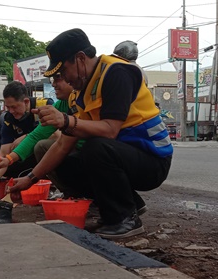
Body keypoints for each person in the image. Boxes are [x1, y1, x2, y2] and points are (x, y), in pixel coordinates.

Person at [9, 28, 173, 239]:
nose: (65, 80)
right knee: (67, 163)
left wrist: (65, 120)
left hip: (153, 160)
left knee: (95, 147)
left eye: (64, 71)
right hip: (125, 157)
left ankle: (125, 219)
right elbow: (62, 145)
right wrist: (30, 179)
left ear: (80, 59)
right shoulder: (82, 91)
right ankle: (121, 208)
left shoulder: (116, 73)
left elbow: (110, 130)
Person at [0, 72, 80, 195]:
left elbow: (57, 136)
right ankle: (69, 193)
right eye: (52, 79)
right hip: (65, 148)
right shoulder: (61, 104)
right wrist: (7, 160)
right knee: (39, 146)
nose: (53, 84)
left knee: (43, 145)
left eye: (58, 78)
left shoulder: (47, 104)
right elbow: (36, 135)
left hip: (86, 151)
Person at [0, 81, 39, 178]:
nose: (11, 111)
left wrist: (26, 137)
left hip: (44, 152)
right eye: (8, 107)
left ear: (26, 102)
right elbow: (4, 152)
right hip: (21, 155)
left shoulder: (43, 105)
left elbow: (55, 133)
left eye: (14, 107)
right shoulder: (8, 118)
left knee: (39, 145)